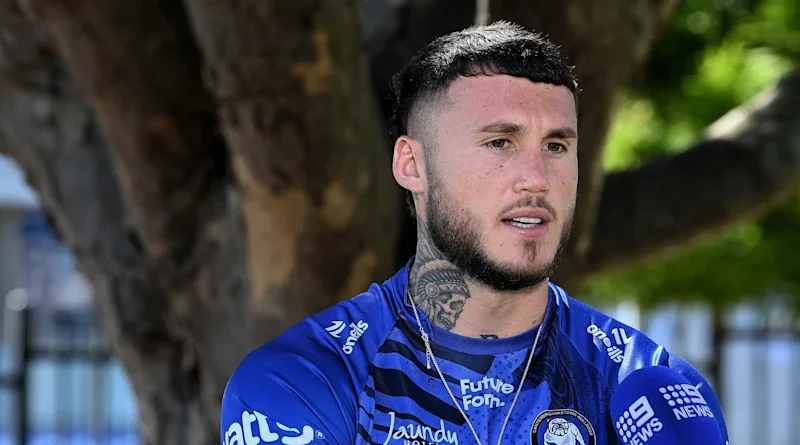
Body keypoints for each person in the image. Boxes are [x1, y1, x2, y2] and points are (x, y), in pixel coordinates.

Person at [220, 21, 729, 445]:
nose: (536, 179)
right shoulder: (303, 377)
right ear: (412, 165)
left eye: (556, 146)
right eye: (500, 142)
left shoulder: (644, 385)